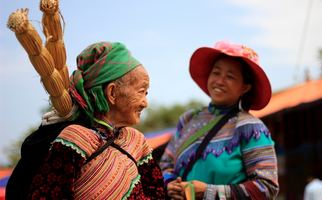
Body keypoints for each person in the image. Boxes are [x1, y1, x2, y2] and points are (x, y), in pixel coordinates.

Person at [26, 42, 165, 199]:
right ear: (112, 92)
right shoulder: (75, 139)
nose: (145, 103)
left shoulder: (136, 141)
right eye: (141, 92)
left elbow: (157, 194)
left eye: (146, 93)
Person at [160, 41, 279, 199]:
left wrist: (210, 192)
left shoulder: (251, 128)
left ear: (245, 87)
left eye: (230, 76)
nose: (220, 81)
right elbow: (165, 164)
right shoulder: (188, 119)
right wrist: (170, 185)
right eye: (216, 73)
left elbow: (266, 187)